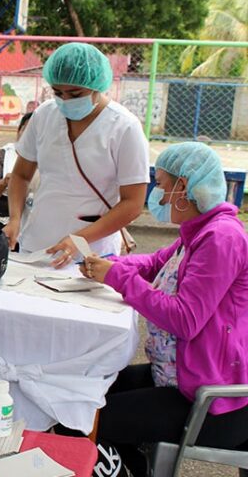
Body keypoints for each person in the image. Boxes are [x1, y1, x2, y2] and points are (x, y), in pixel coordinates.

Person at [80, 142, 248, 476]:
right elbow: (156, 263)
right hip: (180, 374)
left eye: (162, 184)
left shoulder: (221, 238)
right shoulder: (199, 230)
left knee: (93, 420)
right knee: (83, 391)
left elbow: (185, 319)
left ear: (183, 187)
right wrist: (111, 264)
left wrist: (118, 277)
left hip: (210, 399)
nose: (156, 192)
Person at [4, 42, 149, 268]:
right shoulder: (44, 115)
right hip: (37, 242)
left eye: (75, 93)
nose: (65, 100)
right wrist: (14, 219)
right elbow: (21, 175)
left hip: (92, 251)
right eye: (58, 92)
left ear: (97, 86)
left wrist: (78, 239)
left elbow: (133, 203)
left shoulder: (124, 127)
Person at [0, 112, 35, 218]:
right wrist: (3, 183)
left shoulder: (48, 161)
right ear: (19, 131)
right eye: (26, 130)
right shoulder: (3, 155)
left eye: (34, 133)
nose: (29, 137)